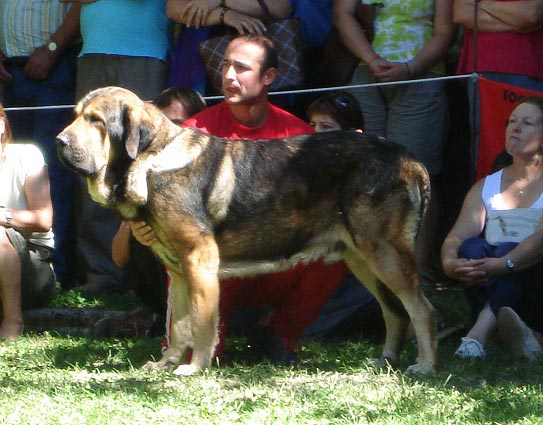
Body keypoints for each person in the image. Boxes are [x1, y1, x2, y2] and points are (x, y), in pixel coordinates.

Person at [182, 34, 347, 363]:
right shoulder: (196, 129)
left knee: (335, 251)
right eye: (225, 65)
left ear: (269, 76)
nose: (228, 76)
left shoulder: (298, 135)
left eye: (241, 68)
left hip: (276, 261)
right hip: (217, 262)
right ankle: (202, 345)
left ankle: (278, 335)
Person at [333, 0, 457, 282]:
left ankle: (418, 272)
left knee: (417, 173)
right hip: (367, 73)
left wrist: (411, 68)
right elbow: (343, 15)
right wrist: (372, 59)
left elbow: (445, 33)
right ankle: (371, 269)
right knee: (364, 172)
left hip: (421, 75)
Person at [62, 0, 170, 296]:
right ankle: (102, 273)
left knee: (140, 163)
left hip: (142, 53)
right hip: (93, 52)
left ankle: (145, 275)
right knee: (92, 164)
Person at [91, 87, 207, 339]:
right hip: (157, 289)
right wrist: (133, 226)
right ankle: (154, 315)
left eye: (177, 123)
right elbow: (119, 258)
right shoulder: (141, 176)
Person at [441, 96, 543, 360]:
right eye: (512, 121)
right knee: (471, 247)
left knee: (510, 250)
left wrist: (505, 263)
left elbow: (540, 242)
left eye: (527, 122)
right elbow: (457, 235)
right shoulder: (485, 185)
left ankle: (479, 334)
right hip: (491, 278)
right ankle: (510, 330)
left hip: (534, 280)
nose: (515, 128)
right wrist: (449, 262)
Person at [0, 1, 82, 289]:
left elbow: (79, 8)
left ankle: (55, 270)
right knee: (10, 168)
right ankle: (12, 268)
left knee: (52, 169)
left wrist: (51, 50)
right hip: (10, 72)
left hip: (54, 67)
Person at [301, 91, 386, 341]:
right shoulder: (300, 172)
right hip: (306, 276)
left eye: (326, 127)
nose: (316, 133)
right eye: (313, 125)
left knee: (369, 291)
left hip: (352, 280)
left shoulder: (372, 181)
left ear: (354, 136)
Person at [0, 102, 56, 340]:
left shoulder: (26, 155)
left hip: (33, 269)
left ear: (2, 125)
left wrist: (3, 215)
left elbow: (44, 219)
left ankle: (13, 320)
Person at [166, 0, 293, 94]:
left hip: (253, 59)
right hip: (197, 61)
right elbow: (175, 8)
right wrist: (224, 15)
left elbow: (282, 8)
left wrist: (222, 1)